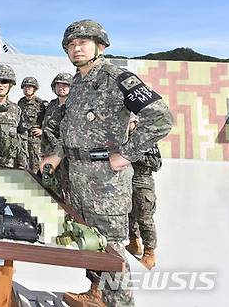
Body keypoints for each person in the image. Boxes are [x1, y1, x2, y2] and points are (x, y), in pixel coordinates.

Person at [40, 19, 172, 307]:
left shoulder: (118, 78)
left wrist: (127, 153)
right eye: (71, 45)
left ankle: (119, 304)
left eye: (83, 43)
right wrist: (57, 153)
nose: (76, 49)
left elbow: (161, 118)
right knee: (89, 241)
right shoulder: (76, 84)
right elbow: (71, 130)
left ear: (99, 46)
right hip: (77, 179)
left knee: (112, 252)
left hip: (106, 185)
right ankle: (95, 294)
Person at [125, 133, 162, 270]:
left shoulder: (148, 138)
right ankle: (134, 243)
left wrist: (133, 155)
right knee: (129, 214)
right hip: (125, 181)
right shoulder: (122, 135)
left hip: (142, 183)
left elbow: (157, 164)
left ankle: (149, 252)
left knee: (144, 217)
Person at [41, 72, 73, 201]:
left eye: (66, 85)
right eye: (58, 85)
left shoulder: (73, 106)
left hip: (65, 156)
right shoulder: (52, 105)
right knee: (51, 187)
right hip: (48, 153)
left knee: (67, 188)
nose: (62, 88)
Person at [17, 77, 47, 173]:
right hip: (22, 139)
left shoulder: (41, 104)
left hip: (35, 141)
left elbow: (49, 120)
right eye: (25, 87)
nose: (27, 89)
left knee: (36, 166)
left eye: (30, 87)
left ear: (35, 89)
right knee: (22, 164)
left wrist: (43, 130)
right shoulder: (20, 102)